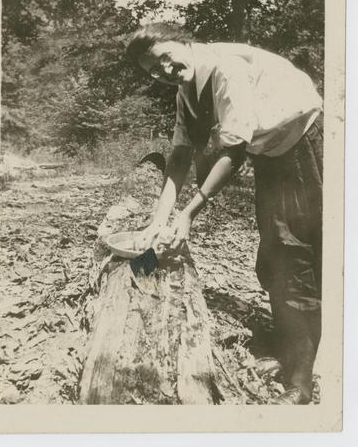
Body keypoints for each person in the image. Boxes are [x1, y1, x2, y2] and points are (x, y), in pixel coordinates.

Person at [126, 22, 323, 405]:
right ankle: (295, 350)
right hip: (273, 156)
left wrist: (187, 215)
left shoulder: (225, 67)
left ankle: (300, 383)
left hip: (308, 148)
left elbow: (233, 152)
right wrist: (158, 218)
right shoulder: (187, 89)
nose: (164, 70)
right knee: (276, 260)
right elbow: (181, 153)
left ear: (184, 42)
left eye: (167, 57)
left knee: (303, 256)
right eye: (154, 69)